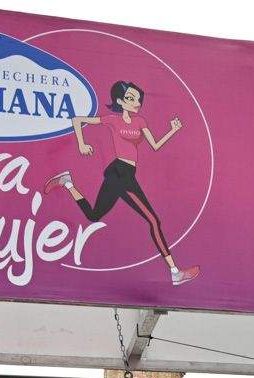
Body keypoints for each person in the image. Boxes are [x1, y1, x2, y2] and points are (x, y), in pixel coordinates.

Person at [45, 80, 200, 286]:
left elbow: (155, 145)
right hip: (120, 172)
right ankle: (174, 272)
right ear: (119, 101)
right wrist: (82, 143)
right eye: (130, 98)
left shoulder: (140, 122)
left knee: (94, 215)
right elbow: (77, 120)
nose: (136, 103)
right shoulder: (112, 120)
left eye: (138, 99)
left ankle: (67, 182)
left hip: (126, 174)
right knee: (153, 221)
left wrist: (172, 130)